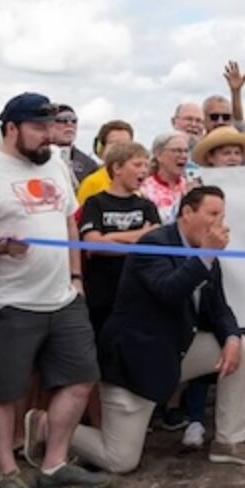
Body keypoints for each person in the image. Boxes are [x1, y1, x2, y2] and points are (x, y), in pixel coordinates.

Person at [0, 92, 112, 488]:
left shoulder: (54, 163)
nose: (49, 138)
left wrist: (76, 276)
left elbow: (69, 222)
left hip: (62, 296)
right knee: (4, 391)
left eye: (52, 127)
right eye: (39, 128)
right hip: (8, 303)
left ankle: (54, 464)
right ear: (11, 128)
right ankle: (8, 472)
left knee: (81, 378)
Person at [70, 187, 245, 472]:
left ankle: (230, 442)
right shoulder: (153, 244)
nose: (219, 223)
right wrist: (205, 258)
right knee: (120, 460)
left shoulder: (205, 254)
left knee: (241, 347)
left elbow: (219, 308)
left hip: (175, 350)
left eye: (222, 216)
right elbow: (168, 291)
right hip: (135, 363)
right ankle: (46, 426)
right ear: (187, 213)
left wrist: (232, 337)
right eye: (212, 214)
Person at [76, 142, 161, 341]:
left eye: (146, 166)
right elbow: (93, 243)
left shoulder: (146, 206)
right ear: (117, 168)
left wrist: (111, 237)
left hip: (139, 295)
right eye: (137, 165)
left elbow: (155, 239)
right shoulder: (95, 203)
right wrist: (140, 236)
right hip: (102, 297)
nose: (143, 171)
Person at [75, 120, 136, 204]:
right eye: (115, 144)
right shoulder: (92, 183)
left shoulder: (139, 182)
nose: (121, 149)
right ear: (102, 148)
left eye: (126, 144)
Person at [141, 131, 192, 222]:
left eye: (186, 151)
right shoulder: (144, 188)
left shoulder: (190, 186)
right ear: (159, 155)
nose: (183, 156)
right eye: (177, 151)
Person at [49, 105, 101, 187]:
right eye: (62, 119)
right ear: (49, 125)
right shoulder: (37, 159)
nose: (69, 124)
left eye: (74, 120)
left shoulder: (89, 164)